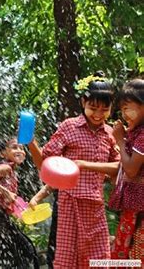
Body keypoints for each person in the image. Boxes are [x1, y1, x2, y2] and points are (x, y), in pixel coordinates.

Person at [28, 72, 120, 268]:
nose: (98, 114)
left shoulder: (110, 134)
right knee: (68, 259)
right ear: (83, 102)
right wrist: (31, 142)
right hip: (70, 204)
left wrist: (85, 165)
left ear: (112, 108)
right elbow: (45, 162)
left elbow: (119, 168)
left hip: (96, 206)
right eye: (93, 108)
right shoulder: (69, 127)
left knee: (100, 260)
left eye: (105, 109)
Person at [0, 137, 39, 268]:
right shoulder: (6, 167)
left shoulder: (11, 171)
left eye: (22, 148)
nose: (19, 151)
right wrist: (5, 192)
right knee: (20, 252)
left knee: (21, 250)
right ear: (2, 154)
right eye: (14, 147)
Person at [108, 78, 144, 261]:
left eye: (128, 107)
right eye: (122, 109)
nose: (124, 113)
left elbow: (131, 170)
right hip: (134, 208)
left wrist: (120, 140)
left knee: (135, 256)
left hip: (140, 211)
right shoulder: (135, 132)